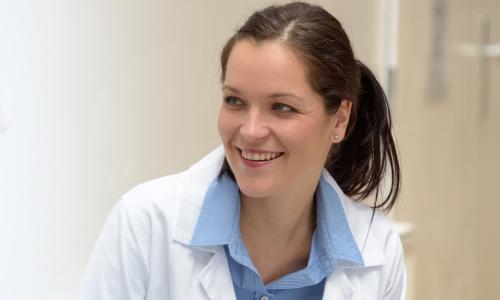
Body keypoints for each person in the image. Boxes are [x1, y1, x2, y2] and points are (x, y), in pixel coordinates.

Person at [77, 2, 405, 299]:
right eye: (235, 100)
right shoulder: (145, 225)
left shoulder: (380, 251)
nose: (249, 131)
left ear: (339, 119)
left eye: (281, 107)